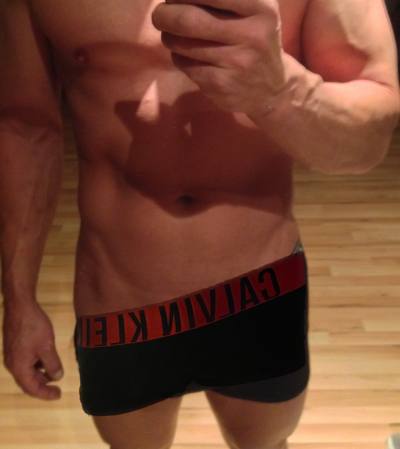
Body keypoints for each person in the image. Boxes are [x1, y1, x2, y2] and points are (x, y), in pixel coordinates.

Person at [1, 1, 399, 449]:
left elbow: (371, 138)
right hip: (120, 298)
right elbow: (26, 127)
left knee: (267, 445)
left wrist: (282, 90)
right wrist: (18, 301)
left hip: (261, 284)